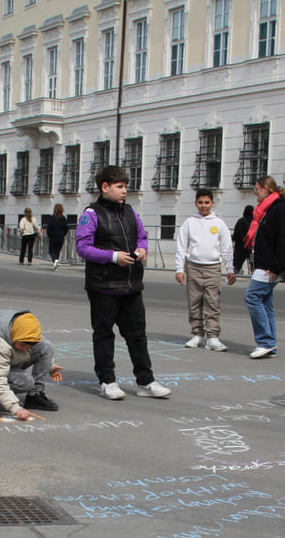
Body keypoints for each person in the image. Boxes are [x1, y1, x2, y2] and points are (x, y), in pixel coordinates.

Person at [76, 164, 172, 400]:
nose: (124, 191)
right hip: (104, 286)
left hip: (131, 285)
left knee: (137, 335)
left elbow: (142, 236)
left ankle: (145, 381)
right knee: (104, 335)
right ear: (105, 187)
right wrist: (112, 256)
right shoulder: (91, 214)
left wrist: (142, 249)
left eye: (126, 186)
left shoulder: (130, 211)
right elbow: (83, 247)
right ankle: (107, 381)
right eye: (119, 186)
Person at [243, 176, 285, 359]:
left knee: (252, 296)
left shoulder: (279, 209)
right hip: (265, 262)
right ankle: (270, 344)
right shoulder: (267, 209)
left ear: (266, 189)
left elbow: (284, 239)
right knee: (265, 301)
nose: (255, 193)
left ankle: (265, 342)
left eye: (256, 189)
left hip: (270, 265)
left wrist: (277, 267)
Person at [0, 309, 63, 421]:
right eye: (23, 345)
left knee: (45, 345)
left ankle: (35, 395)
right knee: (25, 382)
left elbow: (37, 346)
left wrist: (50, 367)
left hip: (9, 359)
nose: (27, 348)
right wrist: (15, 408)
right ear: (15, 335)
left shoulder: (24, 329)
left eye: (31, 345)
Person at [175, 188, 235, 351]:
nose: (203, 206)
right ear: (196, 203)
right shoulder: (189, 223)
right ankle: (197, 334)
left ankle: (213, 337)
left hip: (213, 268)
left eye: (207, 202)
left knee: (212, 302)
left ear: (212, 203)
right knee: (194, 302)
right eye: (200, 202)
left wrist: (230, 268)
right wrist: (179, 269)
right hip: (193, 267)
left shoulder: (219, 223)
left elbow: (227, 248)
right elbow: (181, 247)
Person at [232, 205, 254, 276]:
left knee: (237, 266)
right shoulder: (255, 222)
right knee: (253, 265)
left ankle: (233, 276)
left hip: (240, 248)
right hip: (251, 247)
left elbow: (235, 235)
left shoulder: (240, 221)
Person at [46, 204, 69, 270]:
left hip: (53, 237)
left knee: (51, 251)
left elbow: (49, 228)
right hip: (61, 237)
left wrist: (49, 235)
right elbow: (66, 227)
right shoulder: (63, 218)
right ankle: (56, 264)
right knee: (58, 251)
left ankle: (55, 260)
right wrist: (63, 234)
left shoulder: (52, 218)